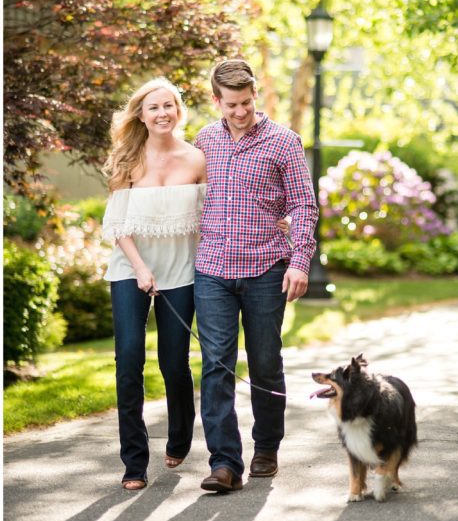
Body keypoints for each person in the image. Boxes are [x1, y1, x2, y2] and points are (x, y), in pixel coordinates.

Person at [193, 58, 317, 493]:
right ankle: (225, 463)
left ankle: (266, 446)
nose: (240, 112)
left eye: (246, 102)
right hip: (212, 270)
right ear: (216, 100)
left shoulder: (284, 142)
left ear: (255, 96)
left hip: (266, 267)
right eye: (231, 105)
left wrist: (300, 260)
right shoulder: (203, 140)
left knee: (265, 362)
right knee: (216, 365)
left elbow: (304, 205)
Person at [102, 78, 206, 491]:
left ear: (178, 110)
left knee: (173, 364)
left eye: (169, 105)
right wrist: (142, 268)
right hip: (132, 269)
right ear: (141, 115)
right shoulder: (128, 159)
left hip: (181, 270)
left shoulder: (197, 159)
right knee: (128, 360)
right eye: (153, 107)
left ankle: (180, 436)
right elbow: (118, 225)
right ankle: (134, 461)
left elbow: (213, 213)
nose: (162, 113)